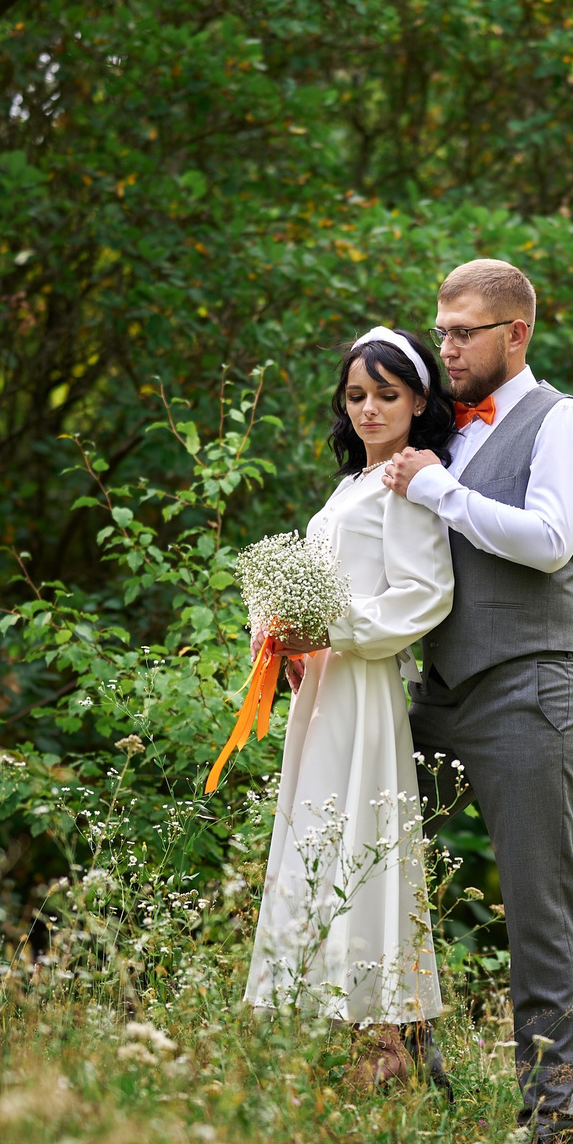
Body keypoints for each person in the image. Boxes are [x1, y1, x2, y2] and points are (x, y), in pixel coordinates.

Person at [382, 258, 573, 1144]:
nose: (446, 347)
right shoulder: (449, 431)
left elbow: (550, 541)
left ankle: (551, 1118)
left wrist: (438, 486)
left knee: (538, 908)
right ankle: (411, 1076)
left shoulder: (565, 423)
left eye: (463, 331)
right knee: (384, 872)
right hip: (441, 693)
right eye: (440, 329)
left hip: (533, 690)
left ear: (516, 333)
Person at [245, 327, 458, 1093]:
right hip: (326, 690)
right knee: (319, 839)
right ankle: (342, 1026)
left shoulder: (406, 486)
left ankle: (386, 1033)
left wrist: (333, 631)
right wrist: (288, 643)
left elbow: (425, 596)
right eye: (357, 395)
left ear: (419, 400)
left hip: (366, 691)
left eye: (387, 395)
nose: (369, 409)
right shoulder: (348, 489)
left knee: (361, 839)